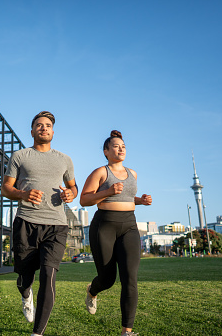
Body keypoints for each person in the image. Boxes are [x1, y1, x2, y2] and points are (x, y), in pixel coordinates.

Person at [1, 111, 77, 336]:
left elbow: (73, 187)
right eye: (39, 125)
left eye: (47, 125)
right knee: (25, 278)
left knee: (48, 275)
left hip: (57, 225)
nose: (44, 128)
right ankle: (26, 296)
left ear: (53, 131)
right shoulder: (20, 156)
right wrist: (23, 194)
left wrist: (70, 195)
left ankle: (38, 333)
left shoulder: (65, 159)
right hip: (26, 223)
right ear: (32, 131)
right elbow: (6, 188)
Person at [79, 130, 152, 336]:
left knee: (130, 279)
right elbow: (84, 200)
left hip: (129, 225)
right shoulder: (100, 172)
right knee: (108, 278)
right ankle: (92, 291)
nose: (121, 149)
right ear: (106, 151)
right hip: (105, 225)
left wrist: (141, 200)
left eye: (123, 146)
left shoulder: (133, 173)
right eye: (116, 146)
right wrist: (108, 191)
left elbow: (127, 197)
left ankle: (126, 331)